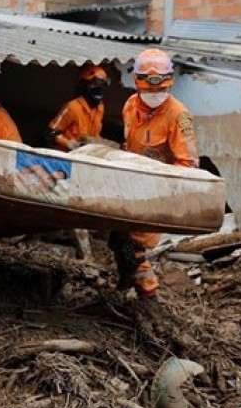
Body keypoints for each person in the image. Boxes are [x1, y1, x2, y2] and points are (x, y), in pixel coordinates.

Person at [109, 48, 199, 301]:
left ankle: (149, 300)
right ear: (138, 83)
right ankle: (123, 289)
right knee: (117, 241)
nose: (154, 95)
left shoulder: (178, 116)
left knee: (132, 249)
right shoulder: (129, 106)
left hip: (157, 192)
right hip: (130, 185)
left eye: (160, 90)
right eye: (149, 90)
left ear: (169, 84)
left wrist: (166, 191)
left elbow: (189, 164)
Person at [45, 65, 110, 151]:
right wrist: (68, 144)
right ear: (84, 85)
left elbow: (95, 135)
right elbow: (50, 133)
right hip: (66, 156)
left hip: (85, 155)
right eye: (96, 84)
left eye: (102, 85)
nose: (99, 88)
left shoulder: (100, 108)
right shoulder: (72, 107)